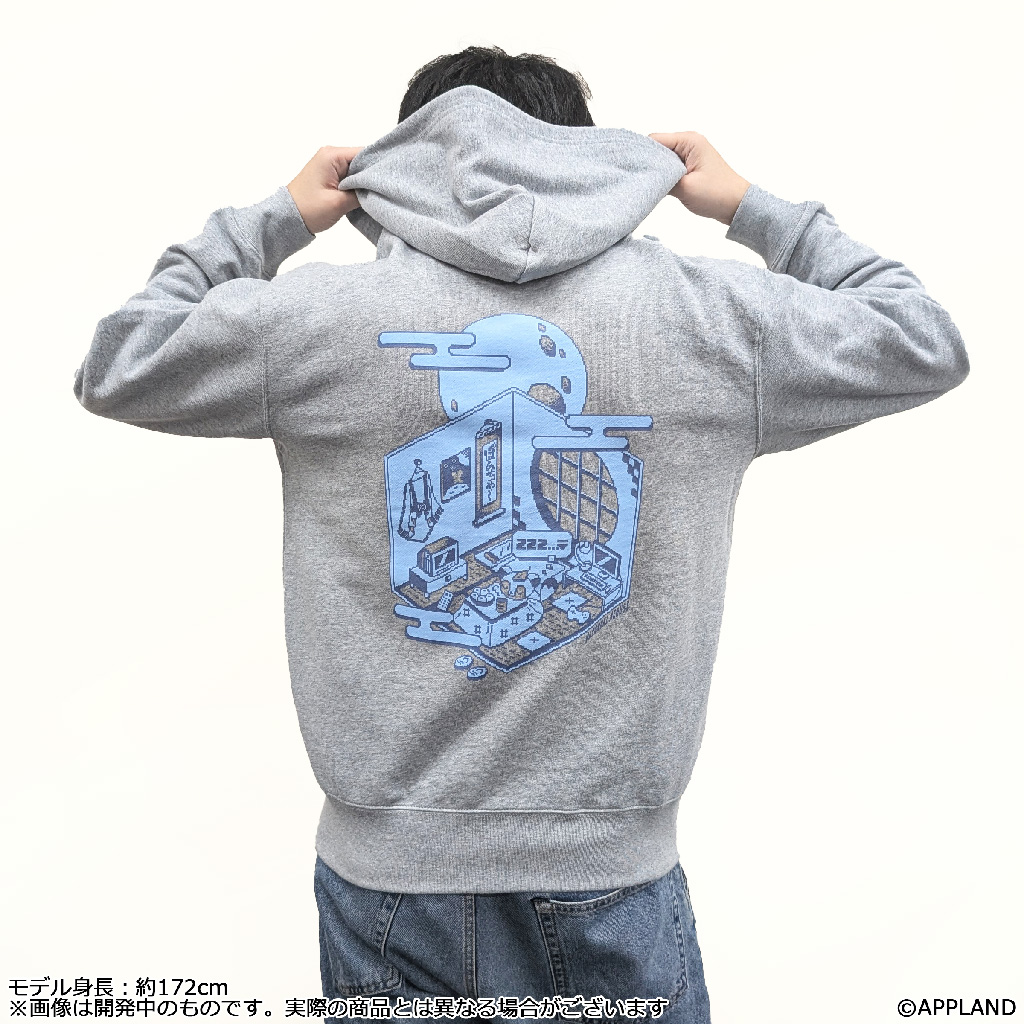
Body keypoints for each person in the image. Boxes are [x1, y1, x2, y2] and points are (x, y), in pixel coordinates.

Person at [72, 44, 969, 1024]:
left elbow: (121, 359)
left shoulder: (318, 323)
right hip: (611, 876)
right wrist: (750, 206)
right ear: (588, 157)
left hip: (389, 886)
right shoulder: (707, 318)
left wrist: (277, 217)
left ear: (401, 160)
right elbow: (918, 334)